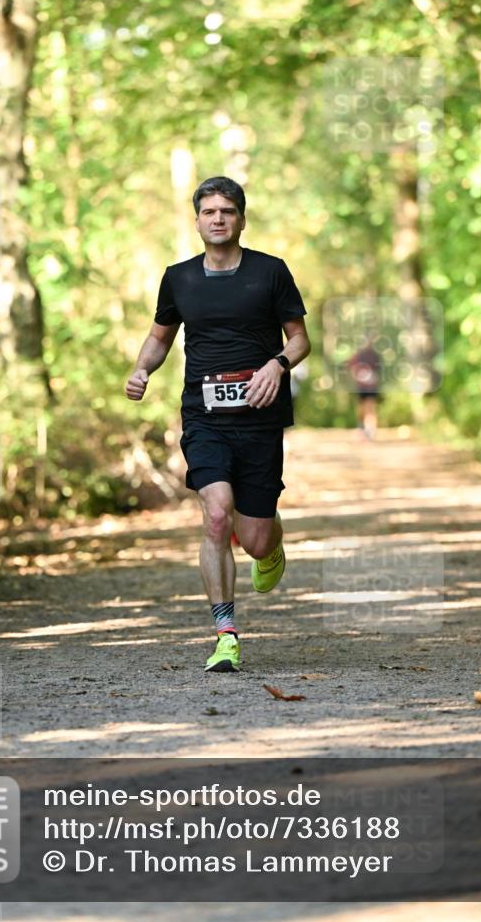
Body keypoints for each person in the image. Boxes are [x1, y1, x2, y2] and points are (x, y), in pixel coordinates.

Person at [126, 176, 310, 672]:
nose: (218, 219)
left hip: (260, 420)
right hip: (204, 417)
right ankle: (225, 633)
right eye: (209, 211)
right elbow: (159, 337)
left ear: (241, 219)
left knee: (254, 538)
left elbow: (299, 339)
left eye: (227, 211)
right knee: (215, 514)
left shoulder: (270, 272)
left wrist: (277, 365)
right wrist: (142, 369)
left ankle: (270, 545)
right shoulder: (179, 278)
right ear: (197, 221)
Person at [345, 339, 382, 439]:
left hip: (371, 387)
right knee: (363, 408)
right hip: (362, 386)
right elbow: (350, 366)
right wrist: (357, 376)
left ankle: (370, 431)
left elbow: (378, 371)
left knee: (370, 407)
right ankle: (363, 430)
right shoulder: (359, 355)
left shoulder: (374, 356)